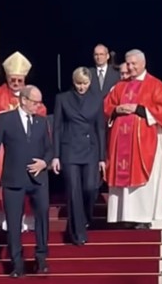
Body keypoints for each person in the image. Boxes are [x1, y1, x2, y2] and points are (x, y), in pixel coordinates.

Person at [104, 49, 162, 228]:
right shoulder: (120, 86)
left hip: (146, 140)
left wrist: (139, 109)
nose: (131, 67)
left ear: (143, 63)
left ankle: (144, 216)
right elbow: (107, 106)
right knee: (123, 177)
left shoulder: (155, 85)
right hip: (121, 142)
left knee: (145, 178)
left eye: (134, 64)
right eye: (128, 64)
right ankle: (123, 217)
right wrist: (116, 110)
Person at [0, 85, 52, 278]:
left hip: (38, 179)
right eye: (35, 102)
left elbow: (49, 149)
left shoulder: (41, 122)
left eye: (39, 102)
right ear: (23, 100)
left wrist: (45, 162)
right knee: (14, 222)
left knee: (42, 217)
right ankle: (17, 263)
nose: (38, 106)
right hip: (13, 179)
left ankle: (41, 259)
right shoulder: (6, 119)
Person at [0, 51, 47, 232]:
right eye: (13, 79)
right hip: (4, 150)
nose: (16, 83)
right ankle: (1, 220)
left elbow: (41, 116)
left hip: (28, 147)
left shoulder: (32, 95)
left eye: (19, 80)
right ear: (7, 77)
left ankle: (27, 220)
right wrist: (0, 117)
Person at [51, 67, 106, 245]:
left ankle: (85, 218)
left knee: (90, 187)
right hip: (69, 150)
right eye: (78, 84)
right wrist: (56, 155)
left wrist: (102, 158)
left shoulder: (97, 99)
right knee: (73, 190)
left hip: (90, 149)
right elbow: (57, 127)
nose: (82, 87)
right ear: (73, 83)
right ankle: (78, 233)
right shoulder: (63, 98)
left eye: (85, 83)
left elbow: (100, 128)